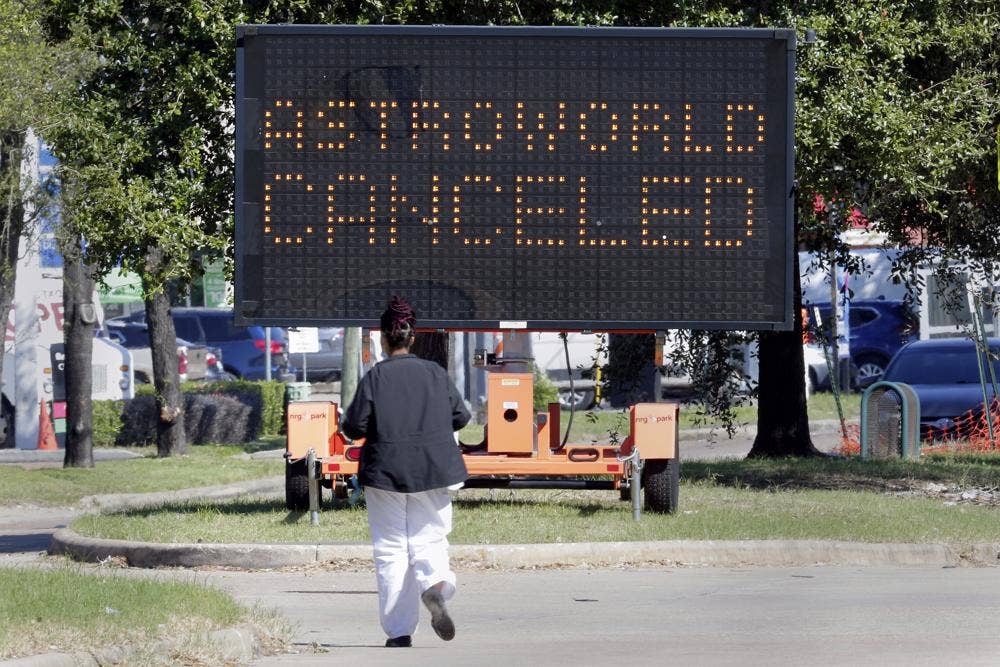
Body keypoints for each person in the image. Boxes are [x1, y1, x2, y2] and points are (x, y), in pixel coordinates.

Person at [341, 296, 471, 648]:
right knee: (429, 537)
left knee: (391, 549)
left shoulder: (376, 377)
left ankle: (399, 632)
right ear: (413, 337)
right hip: (433, 469)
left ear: (385, 338)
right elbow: (462, 417)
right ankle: (434, 586)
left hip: (385, 473)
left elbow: (353, 427)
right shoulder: (435, 374)